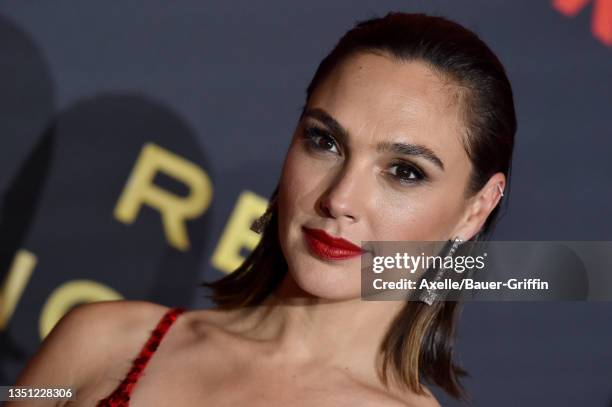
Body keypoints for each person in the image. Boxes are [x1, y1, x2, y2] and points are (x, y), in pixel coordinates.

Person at [9, 11, 515, 406]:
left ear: (475, 210)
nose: (339, 200)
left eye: (404, 171)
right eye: (325, 141)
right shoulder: (98, 344)